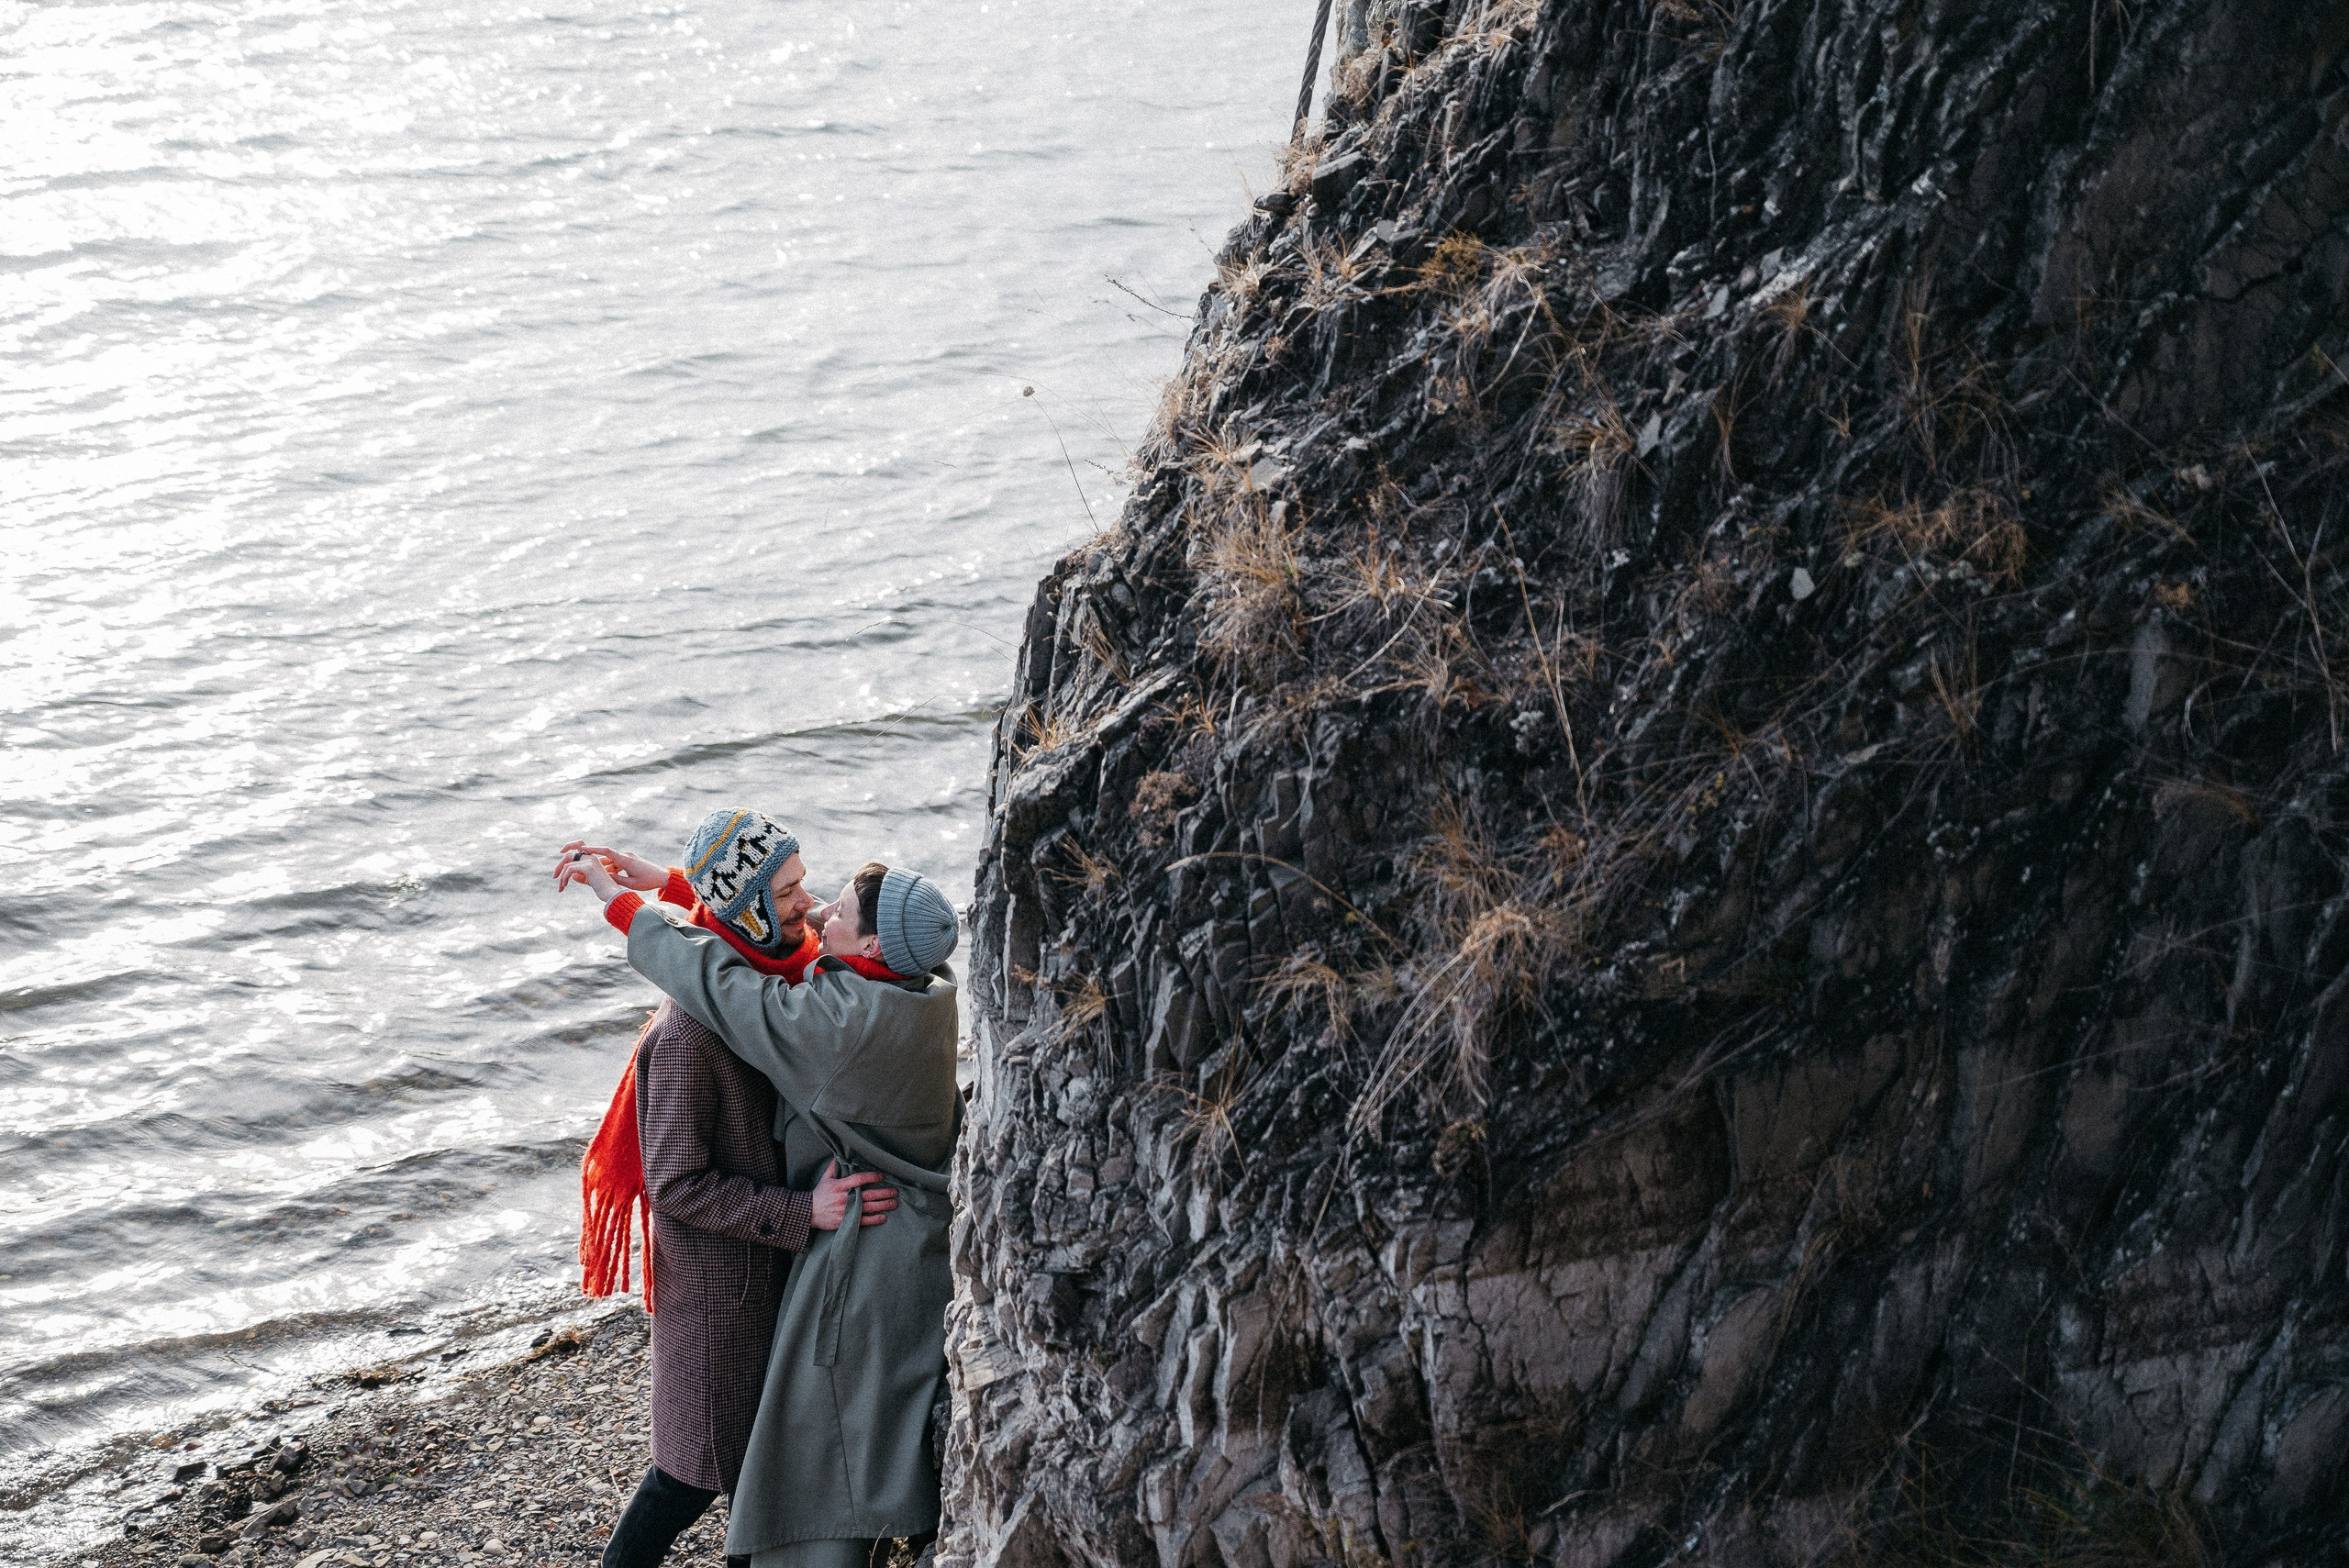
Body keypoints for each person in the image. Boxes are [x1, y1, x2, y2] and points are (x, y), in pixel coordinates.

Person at [561, 842, 963, 1568]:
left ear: (871, 944)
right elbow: (762, 953)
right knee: (716, 1468)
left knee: (809, 1448)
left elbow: (722, 974)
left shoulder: (836, 1020)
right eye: (797, 891)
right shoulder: (918, 987)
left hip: (864, 1249)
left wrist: (622, 903)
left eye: (834, 905)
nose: (815, 908)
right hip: (842, 1246)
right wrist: (679, 886)